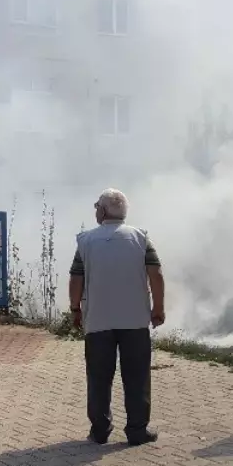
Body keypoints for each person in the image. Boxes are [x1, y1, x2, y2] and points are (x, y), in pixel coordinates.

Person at [68, 188, 165, 446]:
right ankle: (137, 431)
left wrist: (75, 309)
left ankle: (100, 431)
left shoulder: (86, 241)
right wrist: (158, 308)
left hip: (97, 321)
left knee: (99, 378)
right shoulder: (140, 238)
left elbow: (76, 278)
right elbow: (155, 274)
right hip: (134, 321)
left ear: (102, 211)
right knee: (137, 377)